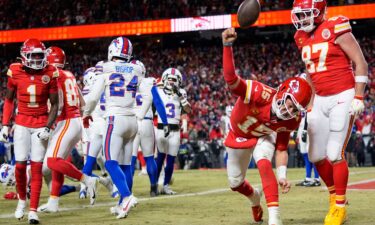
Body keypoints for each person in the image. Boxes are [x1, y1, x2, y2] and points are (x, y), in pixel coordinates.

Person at [222, 28, 312, 225]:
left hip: (264, 134)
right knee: (235, 182)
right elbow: (231, 80)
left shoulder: (291, 120)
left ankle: (274, 218)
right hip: (240, 134)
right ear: (282, 91)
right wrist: (227, 46)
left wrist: (282, 175)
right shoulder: (259, 92)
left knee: (263, 161)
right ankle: (255, 199)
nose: (288, 110)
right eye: (288, 102)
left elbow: (281, 148)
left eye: (294, 109)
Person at [291, 0, 368, 224]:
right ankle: (334, 195)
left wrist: (358, 95)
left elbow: (360, 62)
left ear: (320, 12)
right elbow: (310, 71)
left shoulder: (336, 25)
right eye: (300, 14)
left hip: (342, 96)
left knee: (335, 153)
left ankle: (340, 207)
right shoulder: (300, 37)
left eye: (307, 14)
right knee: (315, 155)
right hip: (321, 99)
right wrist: (311, 101)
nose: (302, 19)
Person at [83, 37, 167, 219]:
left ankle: (127, 196)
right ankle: (122, 203)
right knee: (126, 164)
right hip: (133, 120)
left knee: (110, 162)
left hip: (115, 119)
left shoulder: (104, 69)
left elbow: (92, 98)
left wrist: (86, 113)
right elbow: (148, 94)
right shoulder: (137, 70)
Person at [0, 39, 60, 224]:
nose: (35, 59)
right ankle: (21, 201)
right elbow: (9, 100)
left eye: (39, 56)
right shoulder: (15, 70)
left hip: (41, 122)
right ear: (24, 55)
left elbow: (55, 103)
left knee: (36, 168)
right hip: (22, 123)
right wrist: (5, 124)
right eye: (32, 55)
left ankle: (33, 210)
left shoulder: (50, 72)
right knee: (19, 166)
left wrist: (48, 127)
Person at [37, 46, 100, 213]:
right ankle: (53, 202)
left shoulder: (54, 76)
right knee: (57, 163)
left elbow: (58, 105)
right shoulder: (69, 75)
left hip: (66, 121)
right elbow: (82, 103)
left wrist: (49, 124)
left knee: (51, 162)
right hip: (74, 121)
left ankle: (87, 180)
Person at [155, 68, 192, 195]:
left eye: (174, 80)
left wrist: (181, 98)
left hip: (175, 130)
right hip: (161, 128)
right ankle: (154, 184)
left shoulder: (181, 92)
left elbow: (188, 110)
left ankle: (165, 185)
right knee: (160, 158)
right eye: (169, 80)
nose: (171, 82)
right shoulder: (158, 91)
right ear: (164, 79)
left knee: (170, 160)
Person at [295, 111, 320, 187]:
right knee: (305, 155)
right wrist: (298, 136)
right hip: (303, 132)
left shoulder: (313, 108)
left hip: (310, 133)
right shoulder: (301, 108)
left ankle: (317, 179)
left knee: (312, 157)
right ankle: (308, 178)